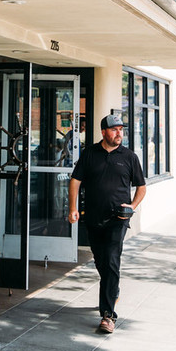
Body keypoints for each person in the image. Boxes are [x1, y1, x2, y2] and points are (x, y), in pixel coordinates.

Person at [68, 113, 146, 334]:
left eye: (121, 129)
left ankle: (108, 315)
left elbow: (141, 187)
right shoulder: (90, 154)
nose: (119, 133)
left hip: (118, 220)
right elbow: (75, 180)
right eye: (114, 129)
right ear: (103, 132)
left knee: (111, 261)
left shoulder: (129, 157)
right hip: (93, 217)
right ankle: (113, 290)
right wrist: (72, 208)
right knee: (101, 261)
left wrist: (132, 206)